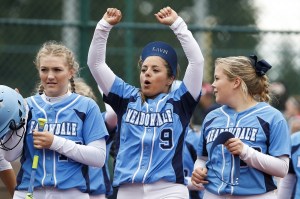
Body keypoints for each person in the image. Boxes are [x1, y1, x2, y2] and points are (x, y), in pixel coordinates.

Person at [88, 6, 204, 199]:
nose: (147, 73)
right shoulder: (126, 97)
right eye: (144, 69)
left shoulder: (180, 102)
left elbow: (197, 62)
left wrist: (178, 25)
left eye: (155, 70)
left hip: (168, 190)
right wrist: (103, 27)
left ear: (170, 78)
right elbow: (96, 64)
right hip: (128, 190)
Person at [2, 41, 108, 199]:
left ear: (71, 72)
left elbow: (98, 158)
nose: (50, 76)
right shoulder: (26, 105)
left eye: (57, 69)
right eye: (44, 69)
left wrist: (55, 142)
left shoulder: (86, 106)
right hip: (28, 193)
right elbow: (9, 156)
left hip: (71, 194)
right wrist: (17, 116)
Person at [191, 55, 290, 198]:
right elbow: (202, 158)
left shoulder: (272, 117)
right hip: (212, 194)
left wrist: (245, 151)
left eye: (217, 78)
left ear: (236, 82)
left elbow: (282, 168)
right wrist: (198, 170)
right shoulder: (212, 117)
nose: (213, 84)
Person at [72, 78, 115, 199]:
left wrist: (104, 86)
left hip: (96, 192)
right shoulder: (61, 125)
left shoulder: (98, 122)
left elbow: (113, 115)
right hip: (69, 190)